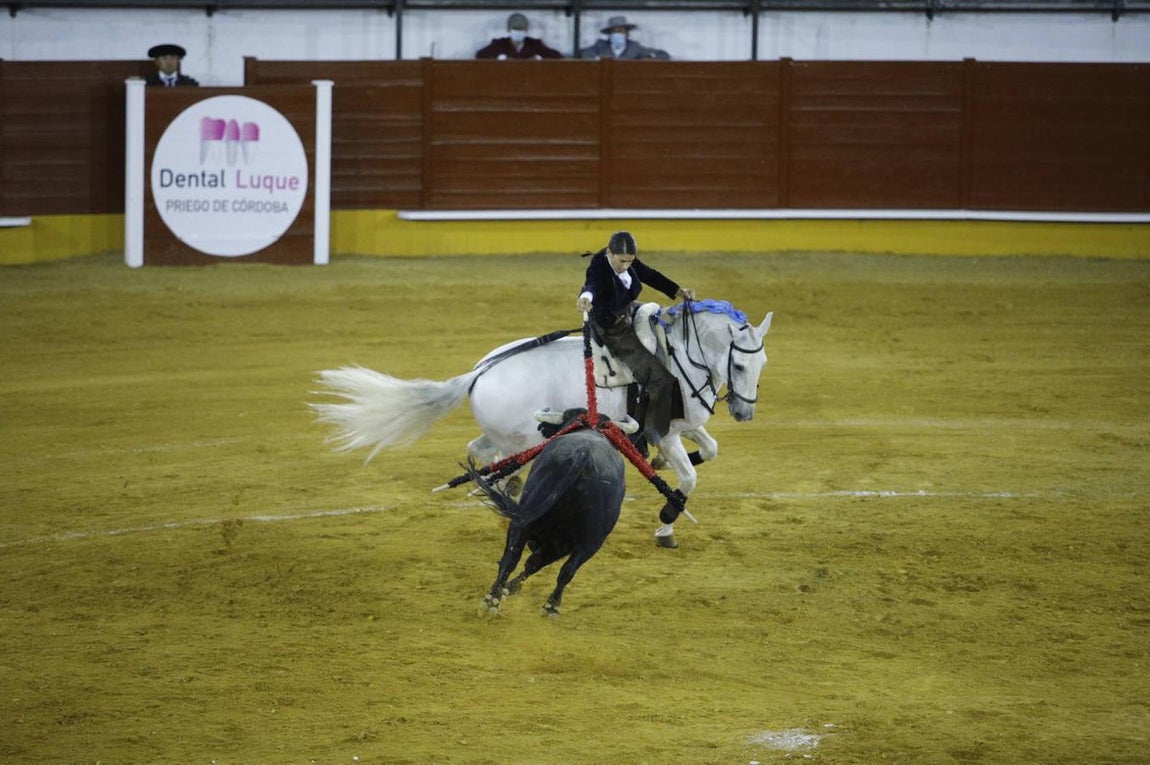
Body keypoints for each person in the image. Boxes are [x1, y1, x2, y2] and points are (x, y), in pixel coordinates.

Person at [576, 231, 694, 443]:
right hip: (611, 326)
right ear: (610, 253)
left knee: (663, 316)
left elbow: (649, 274)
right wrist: (586, 297)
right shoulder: (599, 267)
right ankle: (651, 435)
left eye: (630, 261)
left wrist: (677, 290)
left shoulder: (627, 262)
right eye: (621, 261)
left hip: (626, 310)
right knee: (659, 380)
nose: (625, 266)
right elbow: (591, 285)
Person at [476, 13, 563, 60]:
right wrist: (501, 58)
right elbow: (480, 54)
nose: (518, 32)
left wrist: (538, 58)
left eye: (522, 29)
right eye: (515, 28)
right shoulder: (499, 44)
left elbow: (557, 56)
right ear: (508, 29)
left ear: (527, 30)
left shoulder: (534, 44)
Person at [579, 15, 670, 60]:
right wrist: (599, 59)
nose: (618, 34)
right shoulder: (601, 45)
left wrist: (650, 57)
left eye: (621, 31)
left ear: (627, 34)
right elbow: (585, 53)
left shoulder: (635, 47)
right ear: (609, 34)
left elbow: (663, 54)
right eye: (615, 31)